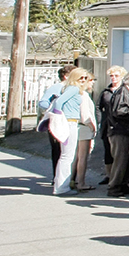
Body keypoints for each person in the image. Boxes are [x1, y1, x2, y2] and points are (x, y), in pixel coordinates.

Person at [49, 68, 86, 196]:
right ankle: (61, 187)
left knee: (66, 156)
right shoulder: (74, 88)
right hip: (69, 121)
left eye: (85, 78)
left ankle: (59, 184)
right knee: (67, 156)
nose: (83, 80)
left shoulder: (71, 88)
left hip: (70, 121)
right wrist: (59, 116)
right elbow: (59, 102)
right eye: (81, 78)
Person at [106, 70, 129, 197]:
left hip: (127, 131)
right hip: (119, 131)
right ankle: (114, 186)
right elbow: (118, 111)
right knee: (120, 159)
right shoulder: (122, 93)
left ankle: (123, 184)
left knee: (128, 159)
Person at [37, 65, 74, 181]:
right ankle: (57, 177)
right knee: (58, 150)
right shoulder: (56, 87)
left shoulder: (74, 88)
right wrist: (53, 108)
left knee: (68, 151)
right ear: (66, 76)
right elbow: (43, 102)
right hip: (57, 121)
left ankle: (69, 177)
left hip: (70, 121)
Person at [72, 69, 99, 192]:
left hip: (78, 127)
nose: (91, 83)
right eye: (90, 81)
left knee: (76, 157)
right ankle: (81, 182)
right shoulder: (83, 95)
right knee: (82, 157)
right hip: (84, 127)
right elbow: (85, 115)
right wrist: (92, 127)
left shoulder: (77, 93)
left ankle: (72, 179)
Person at [97, 66, 125, 186]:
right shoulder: (106, 92)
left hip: (120, 127)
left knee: (119, 153)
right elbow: (98, 106)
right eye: (111, 76)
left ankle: (119, 177)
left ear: (122, 77)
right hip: (106, 125)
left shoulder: (124, 91)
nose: (113, 78)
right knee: (108, 151)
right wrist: (100, 120)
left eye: (116, 75)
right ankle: (109, 175)